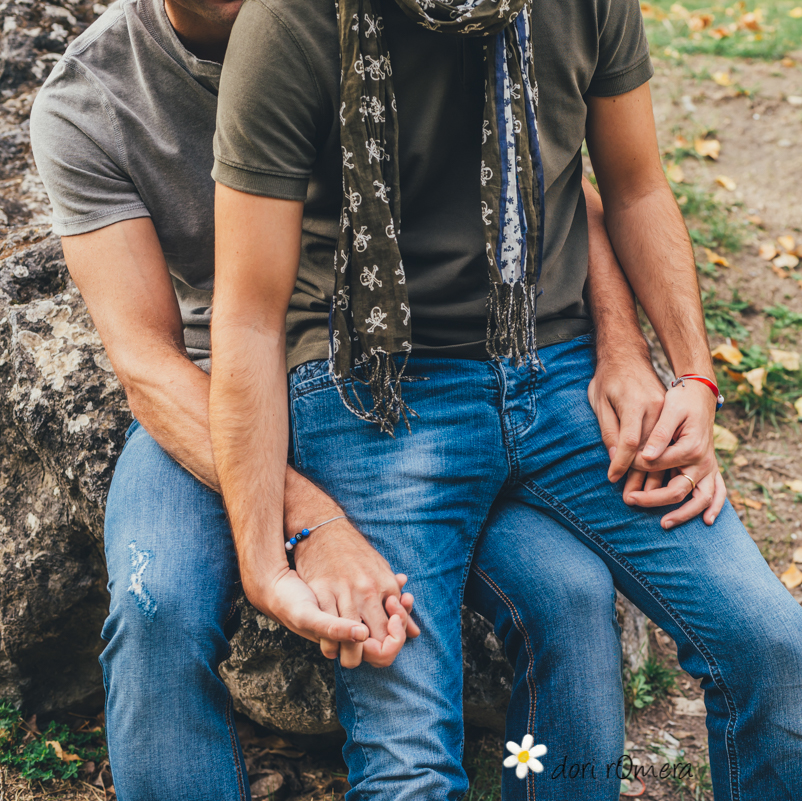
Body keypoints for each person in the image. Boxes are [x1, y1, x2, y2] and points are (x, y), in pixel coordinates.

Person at [27, 0, 707, 797]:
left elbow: (546, 178)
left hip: (409, 384)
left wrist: (622, 345)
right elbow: (146, 362)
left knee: (569, 591)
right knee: (155, 607)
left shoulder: (383, 16)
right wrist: (309, 519)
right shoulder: (89, 100)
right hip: (212, 394)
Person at [208, 0, 802, 798]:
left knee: (766, 642)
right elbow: (249, 316)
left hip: (561, 371)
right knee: (407, 766)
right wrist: (264, 560)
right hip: (376, 395)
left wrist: (693, 378)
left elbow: (634, 187)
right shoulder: (290, 21)